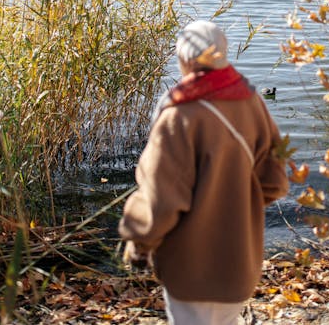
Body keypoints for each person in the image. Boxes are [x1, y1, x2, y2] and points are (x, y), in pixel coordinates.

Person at [119, 19, 289, 325]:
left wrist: (140, 242)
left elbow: (161, 200)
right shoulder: (252, 103)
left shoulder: (177, 114)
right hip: (239, 262)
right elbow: (275, 181)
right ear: (223, 55)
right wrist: (237, 202)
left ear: (184, 59)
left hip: (190, 266)